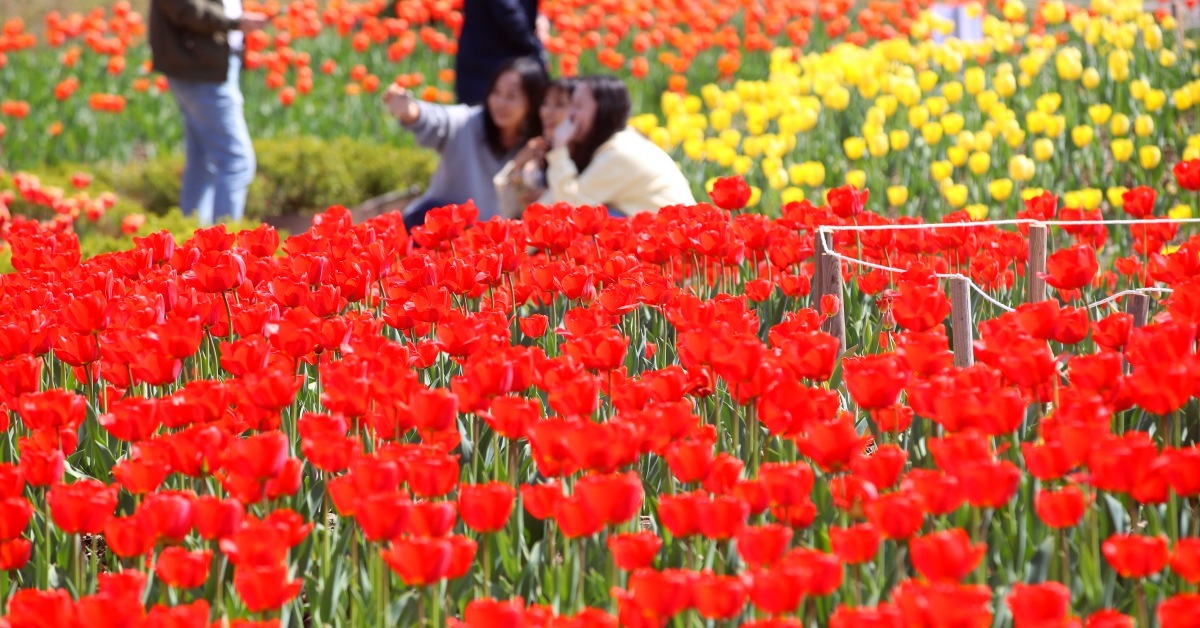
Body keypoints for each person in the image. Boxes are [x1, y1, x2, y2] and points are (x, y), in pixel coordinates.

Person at [384, 57, 548, 230]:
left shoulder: (536, 147)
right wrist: (411, 111)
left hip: (492, 243)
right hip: (438, 228)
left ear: (532, 102)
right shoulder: (468, 122)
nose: (500, 103)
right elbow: (439, 119)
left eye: (511, 96)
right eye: (496, 92)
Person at [149, 0, 268, 226]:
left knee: (203, 161)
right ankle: (222, 250)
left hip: (208, 62)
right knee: (236, 162)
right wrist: (233, 22)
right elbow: (184, 7)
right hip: (198, 66)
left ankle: (191, 243)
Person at [539, 75, 696, 216]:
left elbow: (571, 206)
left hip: (670, 238)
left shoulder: (620, 153)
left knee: (594, 222)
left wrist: (559, 148)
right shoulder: (616, 144)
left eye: (578, 106)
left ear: (603, 109)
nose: (570, 115)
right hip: (662, 232)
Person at [494, 77, 577, 219]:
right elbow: (510, 213)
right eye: (545, 104)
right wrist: (518, 163)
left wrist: (548, 197)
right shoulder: (538, 155)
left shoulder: (593, 159)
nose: (547, 112)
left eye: (559, 105)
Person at [455, 0, 547, 107]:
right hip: (492, 60)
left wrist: (537, 16)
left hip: (484, 55)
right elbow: (507, 11)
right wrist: (531, 43)